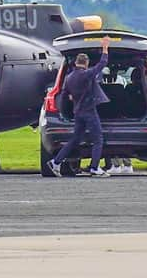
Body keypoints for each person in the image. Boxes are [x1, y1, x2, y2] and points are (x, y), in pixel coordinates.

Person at [47, 36, 111, 177]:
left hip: (77, 112)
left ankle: (56, 162)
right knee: (98, 139)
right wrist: (105, 48)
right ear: (86, 64)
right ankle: (94, 167)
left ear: (76, 62)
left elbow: (65, 94)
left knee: (75, 139)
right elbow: (102, 64)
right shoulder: (87, 74)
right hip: (89, 111)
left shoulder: (69, 78)